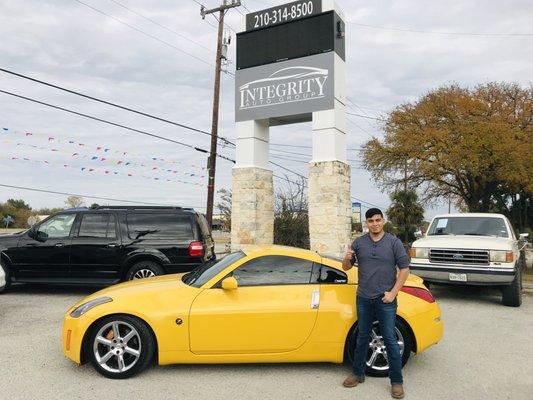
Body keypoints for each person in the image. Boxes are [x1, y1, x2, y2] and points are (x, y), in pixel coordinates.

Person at [341, 208, 410, 399]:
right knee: (362, 337)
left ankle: (396, 381)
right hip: (363, 297)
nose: (375, 224)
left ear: (383, 221)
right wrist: (346, 258)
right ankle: (357, 374)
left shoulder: (394, 243)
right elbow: (346, 267)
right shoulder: (359, 242)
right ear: (366, 223)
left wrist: (393, 293)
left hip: (385, 299)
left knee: (389, 339)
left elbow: (404, 270)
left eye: (378, 220)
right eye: (371, 221)